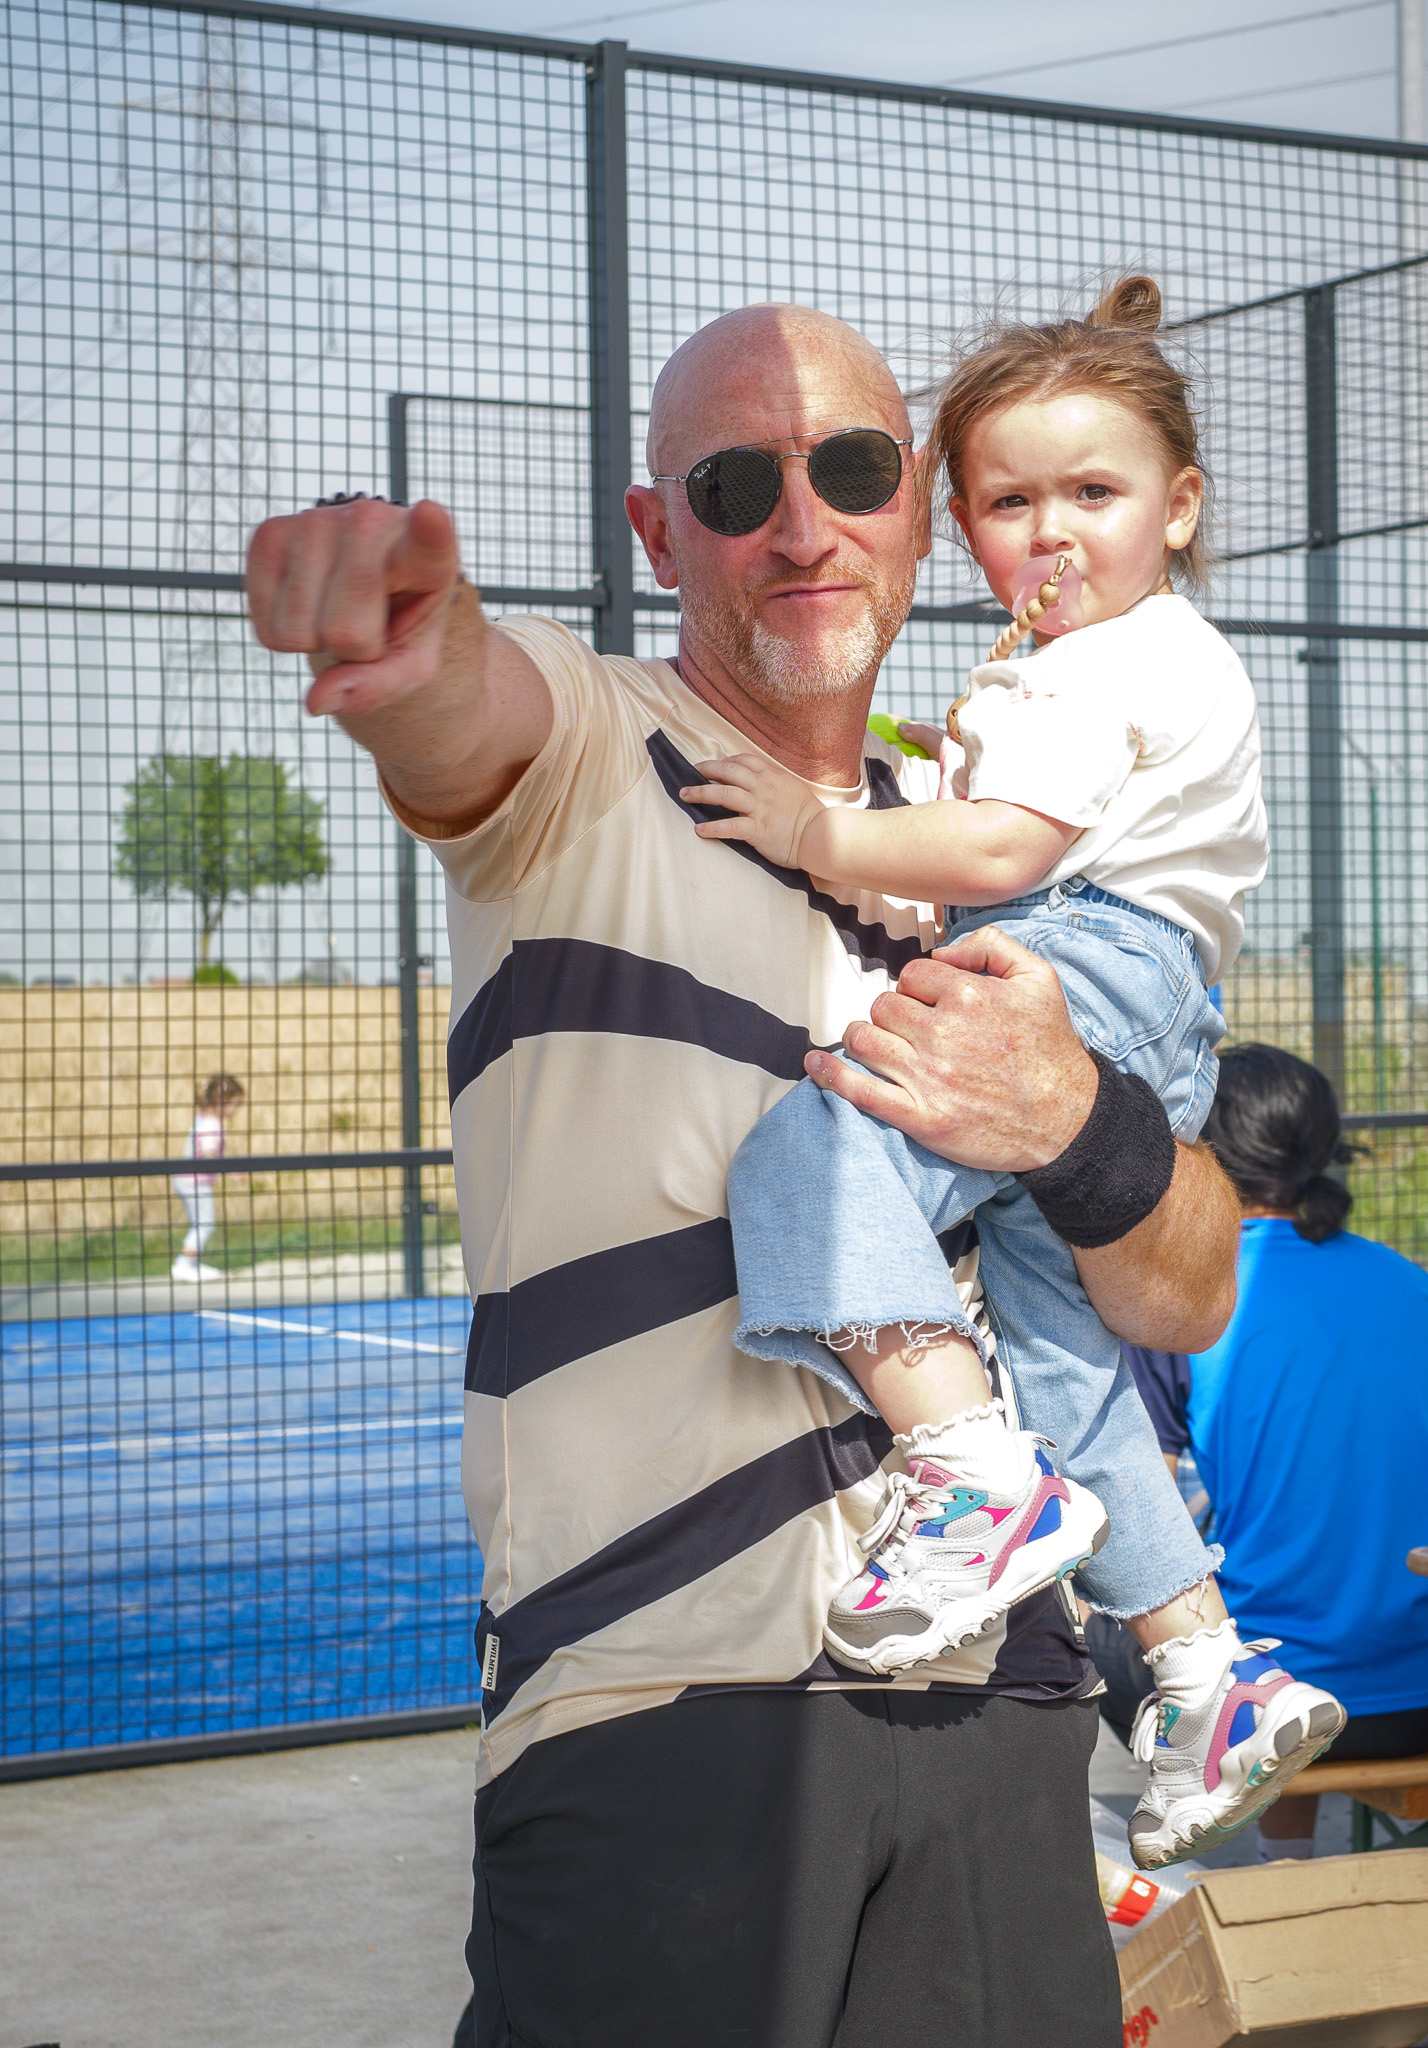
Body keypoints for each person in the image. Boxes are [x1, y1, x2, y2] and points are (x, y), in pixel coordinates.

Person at [246, 301, 1242, 2047]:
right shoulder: (593, 745)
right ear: (656, 532)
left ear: (916, 503)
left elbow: (1190, 1287)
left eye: (850, 469)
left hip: (1005, 1695)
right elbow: (469, 711)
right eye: (730, 485)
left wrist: (1071, 1122)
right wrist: (414, 640)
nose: (800, 526)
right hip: (663, 1691)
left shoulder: (1004, 834)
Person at [682, 275, 1342, 1870]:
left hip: (1088, 961)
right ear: (955, 520)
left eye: (1092, 495)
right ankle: (1204, 1670)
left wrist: (816, 831)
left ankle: (967, 1475)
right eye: (1009, 502)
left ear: (1180, 508)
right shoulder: (1131, 654)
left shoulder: (1102, 663)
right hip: (1142, 995)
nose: (1050, 535)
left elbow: (1000, 851)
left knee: (813, 1153)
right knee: (1063, 1358)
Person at [1120, 1043, 1428, 1864]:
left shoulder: (1184, 1294)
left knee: (1115, 1605)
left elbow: (1143, 1515)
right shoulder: (1410, 1283)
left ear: (1199, 1147)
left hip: (1275, 1704)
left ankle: (1269, 1866)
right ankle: (1293, 1865)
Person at [169, 1073, 244, 1284]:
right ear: (223, 1100)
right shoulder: (212, 1124)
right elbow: (209, 1151)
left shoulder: (203, 1118)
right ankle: (183, 1265)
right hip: (195, 1183)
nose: (236, 1110)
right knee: (205, 1224)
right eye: (235, 1104)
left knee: (200, 1223)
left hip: (185, 1180)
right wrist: (231, 1171)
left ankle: (191, 1264)